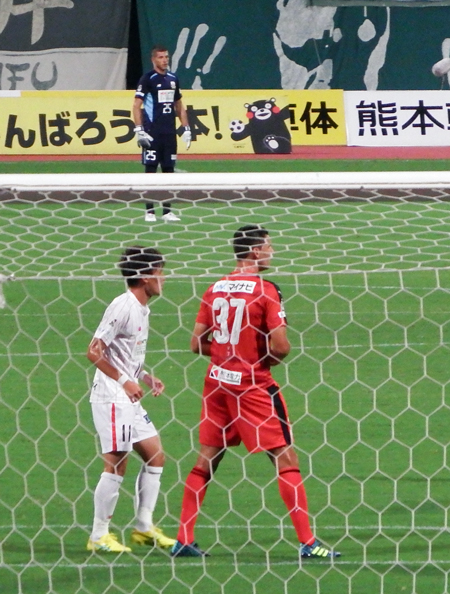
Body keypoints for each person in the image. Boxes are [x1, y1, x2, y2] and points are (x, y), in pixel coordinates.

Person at [171, 225, 341, 559]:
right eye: (268, 246)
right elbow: (282, 347)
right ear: (255, 251)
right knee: (285, 457)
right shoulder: (266, 290)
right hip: (252, 386)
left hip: (217, 383)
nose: (272, 252)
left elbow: (196, 344)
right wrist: (256, 357)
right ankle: (308, 543)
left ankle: (183, 539)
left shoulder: (215, 288)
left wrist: (229, 354)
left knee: (207, 458)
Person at [86, 246, 175, 553]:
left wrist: (145, 376)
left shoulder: (141, 308)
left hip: (128, 396)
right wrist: (125, 381)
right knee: (116, 464)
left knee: (155, 455)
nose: (163, 278)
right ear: (146, 276)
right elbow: (94, 351)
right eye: (160, 272)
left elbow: (122, 354)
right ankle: (99, 535)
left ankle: (143, 527)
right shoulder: (122, 306)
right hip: (112, 397)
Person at [132, 45, 191, 221]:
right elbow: (136, 105)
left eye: (166, 57)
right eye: (161, 57)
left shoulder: (173, 79)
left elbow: (179, 105)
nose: (164, 60)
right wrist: (139, 129)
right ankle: (149, 211)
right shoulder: (147, 79)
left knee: (169, 171)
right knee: (150, 171)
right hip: (152, 132)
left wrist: (186, 128)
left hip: (169, 133)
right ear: (153, 59)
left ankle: (166, 211)